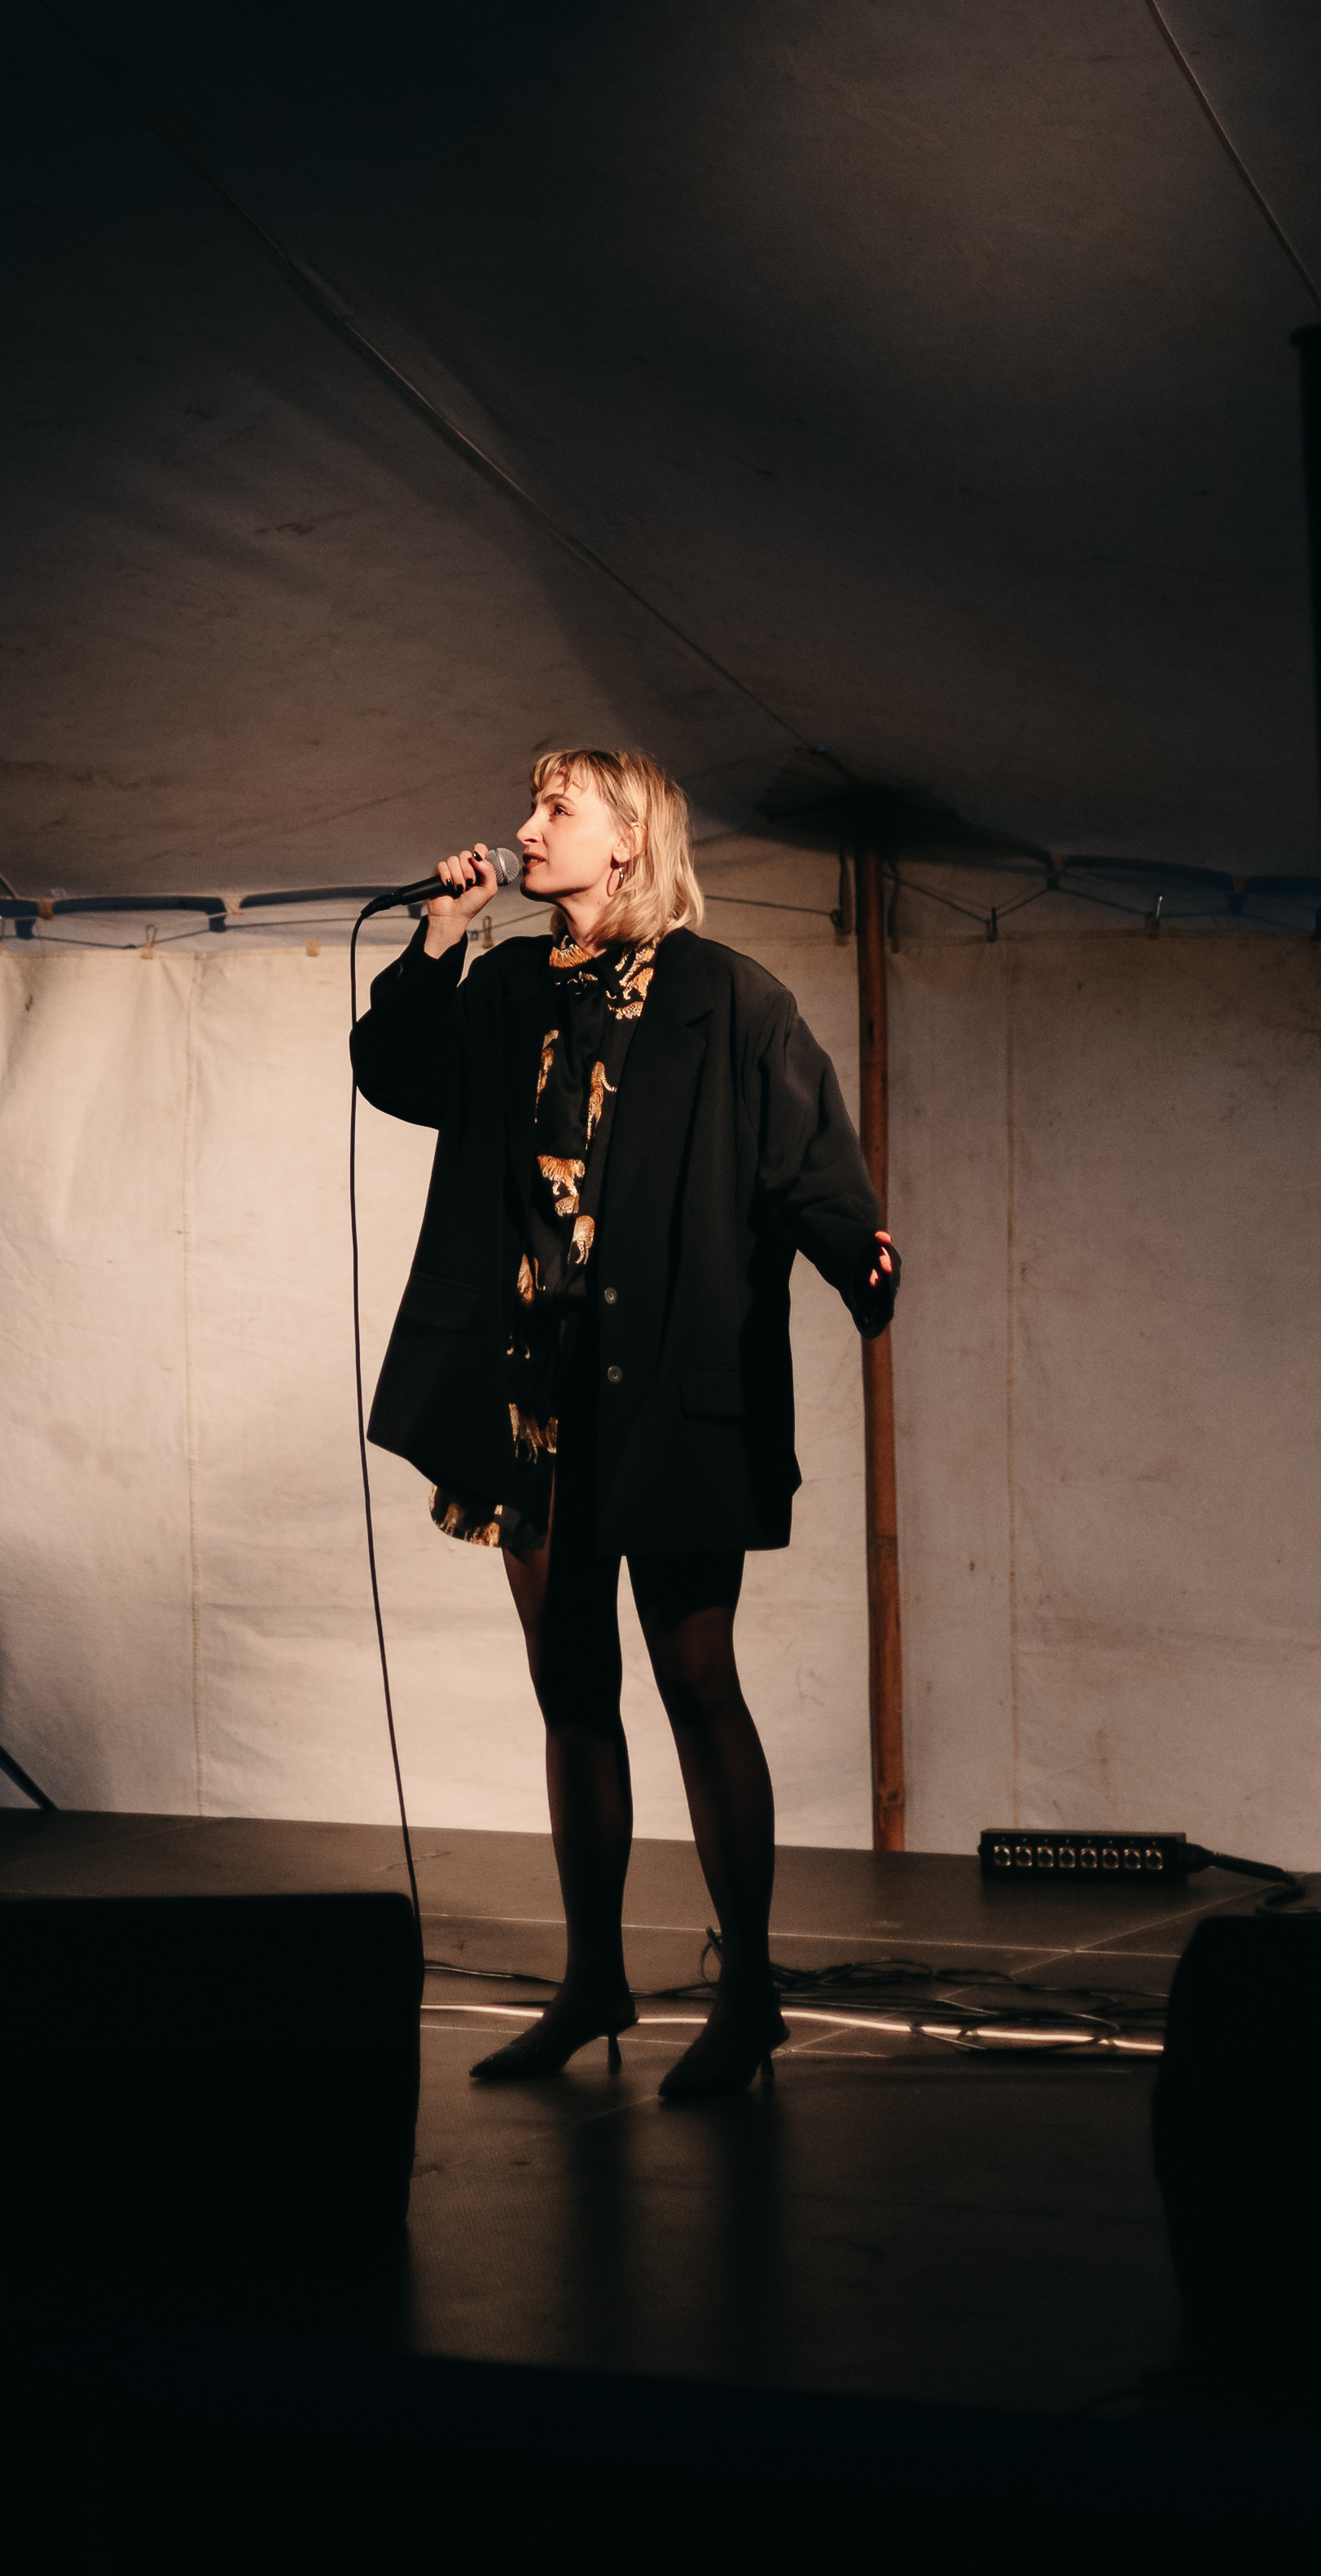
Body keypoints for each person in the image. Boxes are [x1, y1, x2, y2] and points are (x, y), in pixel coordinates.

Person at [353, 746, 897, 2101]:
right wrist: (439, 936)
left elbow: (806, 1161)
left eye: (558, 808)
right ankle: (591, 1979)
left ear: (628, 839)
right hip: (526, 1389)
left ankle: (749, 1994)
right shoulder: (501, 986)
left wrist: (856, 1251)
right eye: (533, 804)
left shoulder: (727, 995)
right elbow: (395, 1071)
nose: (527, 826)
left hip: (665, 1386)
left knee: (696, 1673)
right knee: (569, 1685)